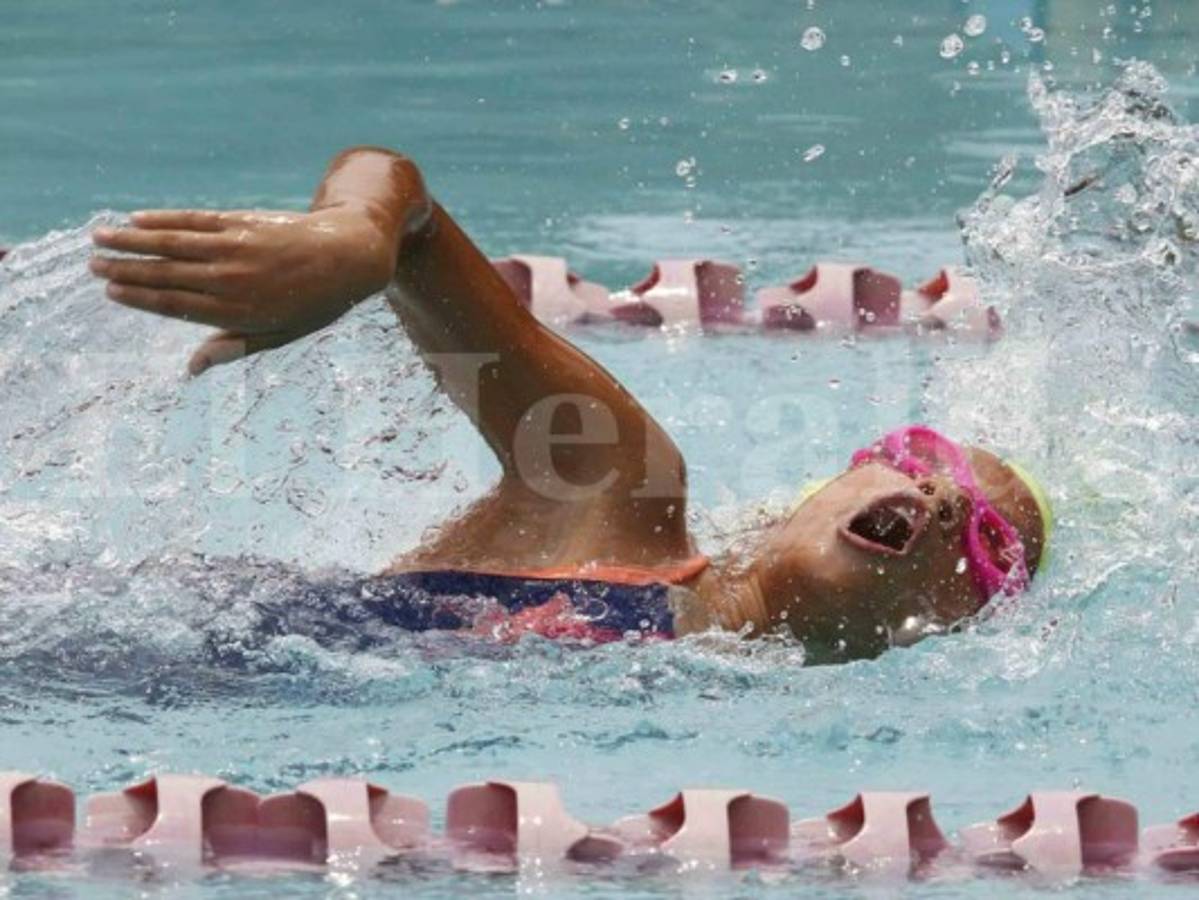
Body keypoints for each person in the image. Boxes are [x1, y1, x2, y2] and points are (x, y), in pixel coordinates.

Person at [88, 147, 1051, 661]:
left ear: (952, 628)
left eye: (990, 548)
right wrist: (352, 238)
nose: (945, 502)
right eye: (922, 459)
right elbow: (401, 195)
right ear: (826, 486)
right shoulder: (618, 493)